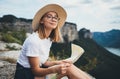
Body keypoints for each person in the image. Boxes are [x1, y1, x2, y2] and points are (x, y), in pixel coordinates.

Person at [14, 4, 93, 79]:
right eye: (49, 16)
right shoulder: (33, 41)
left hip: (36, 74)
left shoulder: (47, 39)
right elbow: (35, 71)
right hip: (27, 75)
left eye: (56, 17)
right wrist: (55, 69)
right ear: (41, 20)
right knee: (68, 69)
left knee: (68, 65)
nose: (53, 19)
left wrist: (59, 62)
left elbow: (44, 62)